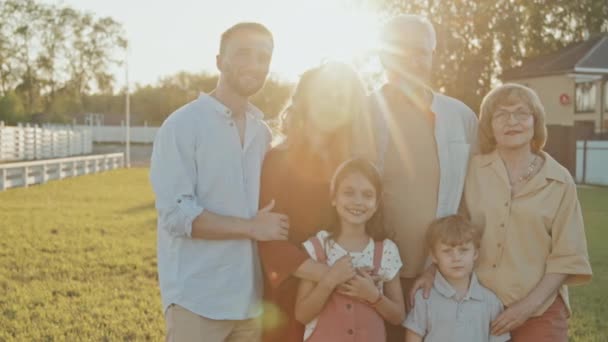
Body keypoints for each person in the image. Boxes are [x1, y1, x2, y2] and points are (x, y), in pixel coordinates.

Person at [150, 22, 287, 342]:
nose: (254, 65)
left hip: (250, 303)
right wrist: (252, 227)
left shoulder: (262, 133)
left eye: (263, 57)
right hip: (197, 301)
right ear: (219, 61)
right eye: (243, 54)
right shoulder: (183, 125)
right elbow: (176, 215)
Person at [353, 14, 478, 341]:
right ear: (383, 56)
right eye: (401, 50)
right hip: (373, 275)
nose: (412, 59)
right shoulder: (361, 113)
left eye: (421, 51)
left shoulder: (461, 117)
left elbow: (473, 197)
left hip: (441, 274)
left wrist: (441, 264)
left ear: (432, 55)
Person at [462, 83, 592, 341]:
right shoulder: (471, 171)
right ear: (489, 125)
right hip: (476, 306)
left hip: (540, 309)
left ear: (536, 122)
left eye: (521, 113)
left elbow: (567, 257)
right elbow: (452, 232)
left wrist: (525, 308)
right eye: (501, 114)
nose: (512, 121)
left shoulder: (559, 180)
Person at [259, 61, 369, 341]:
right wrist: (328, 275)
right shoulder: (277, 160)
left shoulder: (352, 164)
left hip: (346, 291)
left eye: (341, 97)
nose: (332, 103)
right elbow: (272, 244)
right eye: (325, 93)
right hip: (292, 293)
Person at [295, 158, 405, 341]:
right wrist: (330, 280)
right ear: (333, 198)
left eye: (367, 195)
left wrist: (373, 296)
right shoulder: (318, 247)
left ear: (377, 204)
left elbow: (398, 317)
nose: (358, 201)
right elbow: (302, 315)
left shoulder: (386, 251)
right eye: (349, 192)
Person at [404, 215, 510, 342]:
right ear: (434, 256)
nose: (456, 258)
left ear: (475, 253)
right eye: (447, 251)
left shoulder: (491, 302)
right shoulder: (424, 298)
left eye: (463, 250)